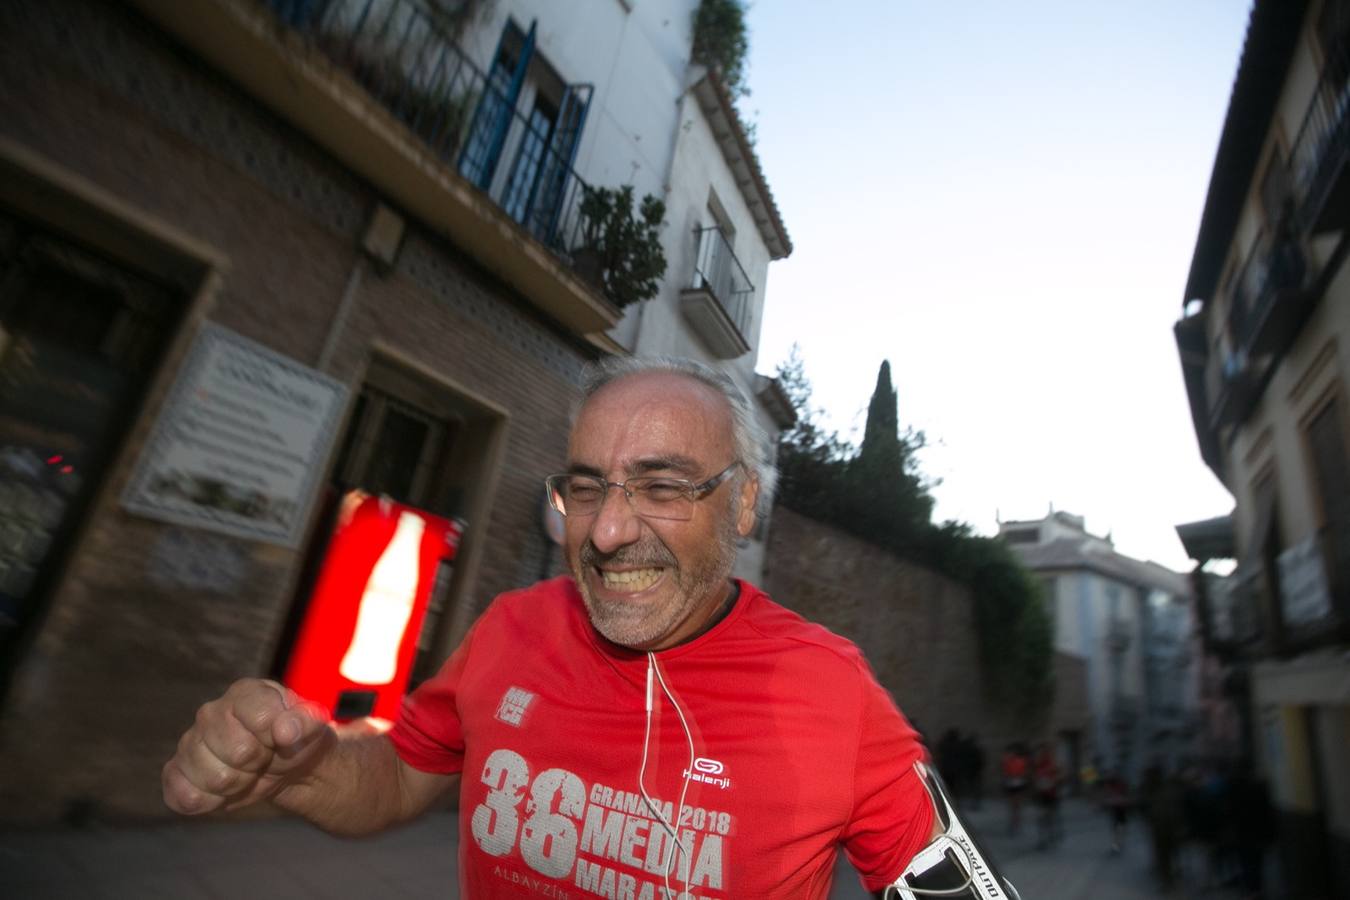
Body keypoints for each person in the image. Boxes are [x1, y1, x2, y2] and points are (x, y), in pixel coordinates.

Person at [162, 358, 938, 899]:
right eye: (586, 487)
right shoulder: (511, 628)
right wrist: (306, 767)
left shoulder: (832, 691)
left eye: (661, 485)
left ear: (740, 504)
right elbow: (401, 774)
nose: (605, 531)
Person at [1032, 741, 1063, 849]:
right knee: (1041, 818)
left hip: (1051, 794)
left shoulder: (1052, 765)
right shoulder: (1038, 766)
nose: (1040, 755)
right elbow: (1035, 779)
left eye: (1042, 753)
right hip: (1042, 795)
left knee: (1049, 817)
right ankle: (1043, 839)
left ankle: (1050, 837)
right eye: (1039, 753)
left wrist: (1054, 782)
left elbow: (1060, 777)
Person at [1000, 742, 1030, 835]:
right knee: (1013, 806)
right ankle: (1014, 824)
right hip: (1011, 784)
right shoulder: (1006, 761)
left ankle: (1016, 824)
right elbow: (1005, 772)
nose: (1010, 754)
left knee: (1016, 806)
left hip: (1018, 784)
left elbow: (1024, 772)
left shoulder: (1021, 761)